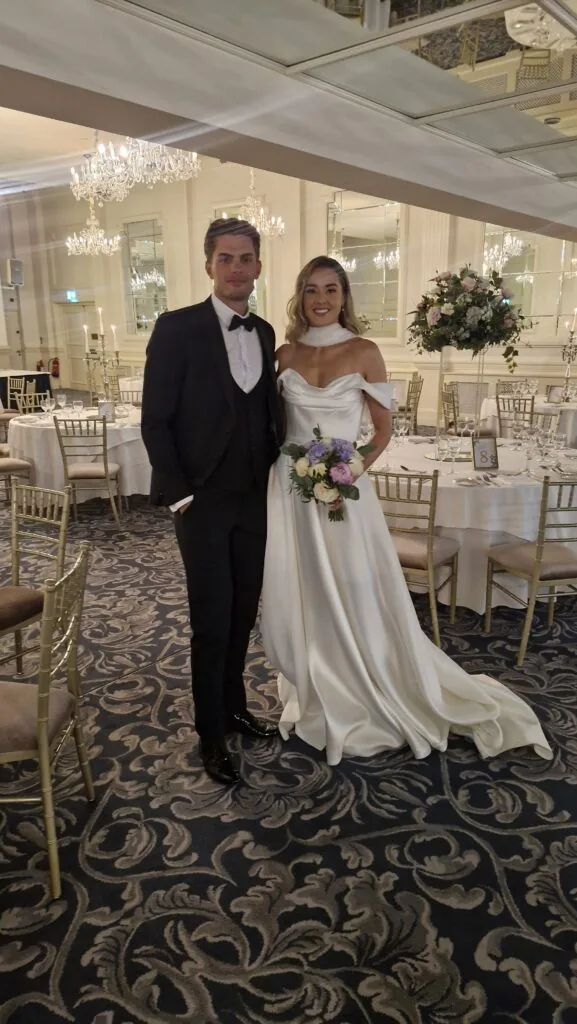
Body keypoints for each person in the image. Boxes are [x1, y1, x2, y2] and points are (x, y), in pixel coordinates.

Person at [261, 256, 552, 766]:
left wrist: (349, 470)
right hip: (290, 491)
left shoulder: (366, 351)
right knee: (302, 582)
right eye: (311, 290)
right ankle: (315, 673)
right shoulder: (283, 354)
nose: (321, 299)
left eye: (331, 289)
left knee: (353, 583)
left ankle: (366, 674)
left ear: (345, 296)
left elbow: (383, 431)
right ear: (300, 297)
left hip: (346, 493)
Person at [141, 219, 284, 785]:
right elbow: (155, 419)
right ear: (209, 266)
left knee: (243, 612)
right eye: (226, 258)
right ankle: (209, 734)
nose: (236, 268)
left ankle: (235, 707)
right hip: (201, 503)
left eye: (246, 258)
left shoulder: (267, 331)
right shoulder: (176, 328)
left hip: (255, 498)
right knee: (210, 620)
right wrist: (179, 496)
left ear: (257, 265)